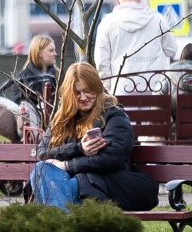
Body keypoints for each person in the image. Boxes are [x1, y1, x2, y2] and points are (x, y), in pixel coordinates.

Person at [31, 62, 159, 212]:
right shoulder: (62, 119)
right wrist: (79, 148)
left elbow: (111, 157)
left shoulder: (114, 115)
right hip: (73, 181)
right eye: (77, 93)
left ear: (96, 88)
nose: (83, 97)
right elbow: (42, 152)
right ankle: (65, 229)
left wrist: (66, 165)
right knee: (41, 169)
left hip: (102, 186)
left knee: (53, 184)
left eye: (87, 90)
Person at [93, 0, 176, 94]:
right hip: (155, 89)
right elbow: (172, 51)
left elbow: (101, 61)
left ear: (117, 1)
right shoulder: (158, 20)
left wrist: (109, 86)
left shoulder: (107, 23)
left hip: (121, 89)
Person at [0, 35, 58, 142]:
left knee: (41, 105)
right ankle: (31, 137)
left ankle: (35, 138)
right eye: (51, 51)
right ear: (40, 53)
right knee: (19, 105)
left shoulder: (57, 76)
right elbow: (17, 101)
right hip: (25, 116)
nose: (55, 54)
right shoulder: (23, 77)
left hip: (50, 117)